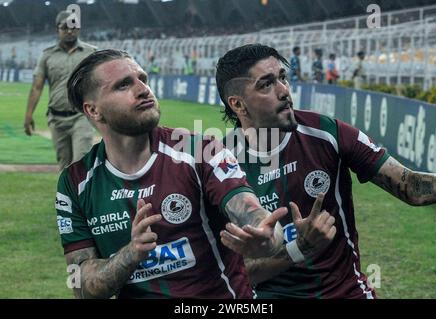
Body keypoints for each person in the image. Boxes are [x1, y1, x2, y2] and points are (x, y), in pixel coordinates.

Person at [215, 43, 436, 298]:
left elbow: (410, 186)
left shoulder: (326, 133)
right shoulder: (220, 164)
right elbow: (237, 274)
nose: (284, 91)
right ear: (238, 104)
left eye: (283, 77)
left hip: (345, 292)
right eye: (266, 84)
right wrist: (300, 248)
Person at [56, 49, 296, 299]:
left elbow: (251, 211)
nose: (143, 89)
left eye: (143, 79)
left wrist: (267, 236)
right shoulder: (75, 182)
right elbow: (81, 286)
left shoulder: (201, 150)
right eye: (123, 85)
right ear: (93, 110)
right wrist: (132, 253)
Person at [24, 10, 97, 170]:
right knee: (65, 168)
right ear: (57, 29)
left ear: (79, 28)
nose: (70, 31)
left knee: (81, 162)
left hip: (81, 116)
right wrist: (28, 115)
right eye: (65, 27)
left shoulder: (91, 53)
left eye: (74, 27)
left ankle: (83, 195)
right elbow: (37, 87)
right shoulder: (47, 55)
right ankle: (68, 195)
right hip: (56, 119)